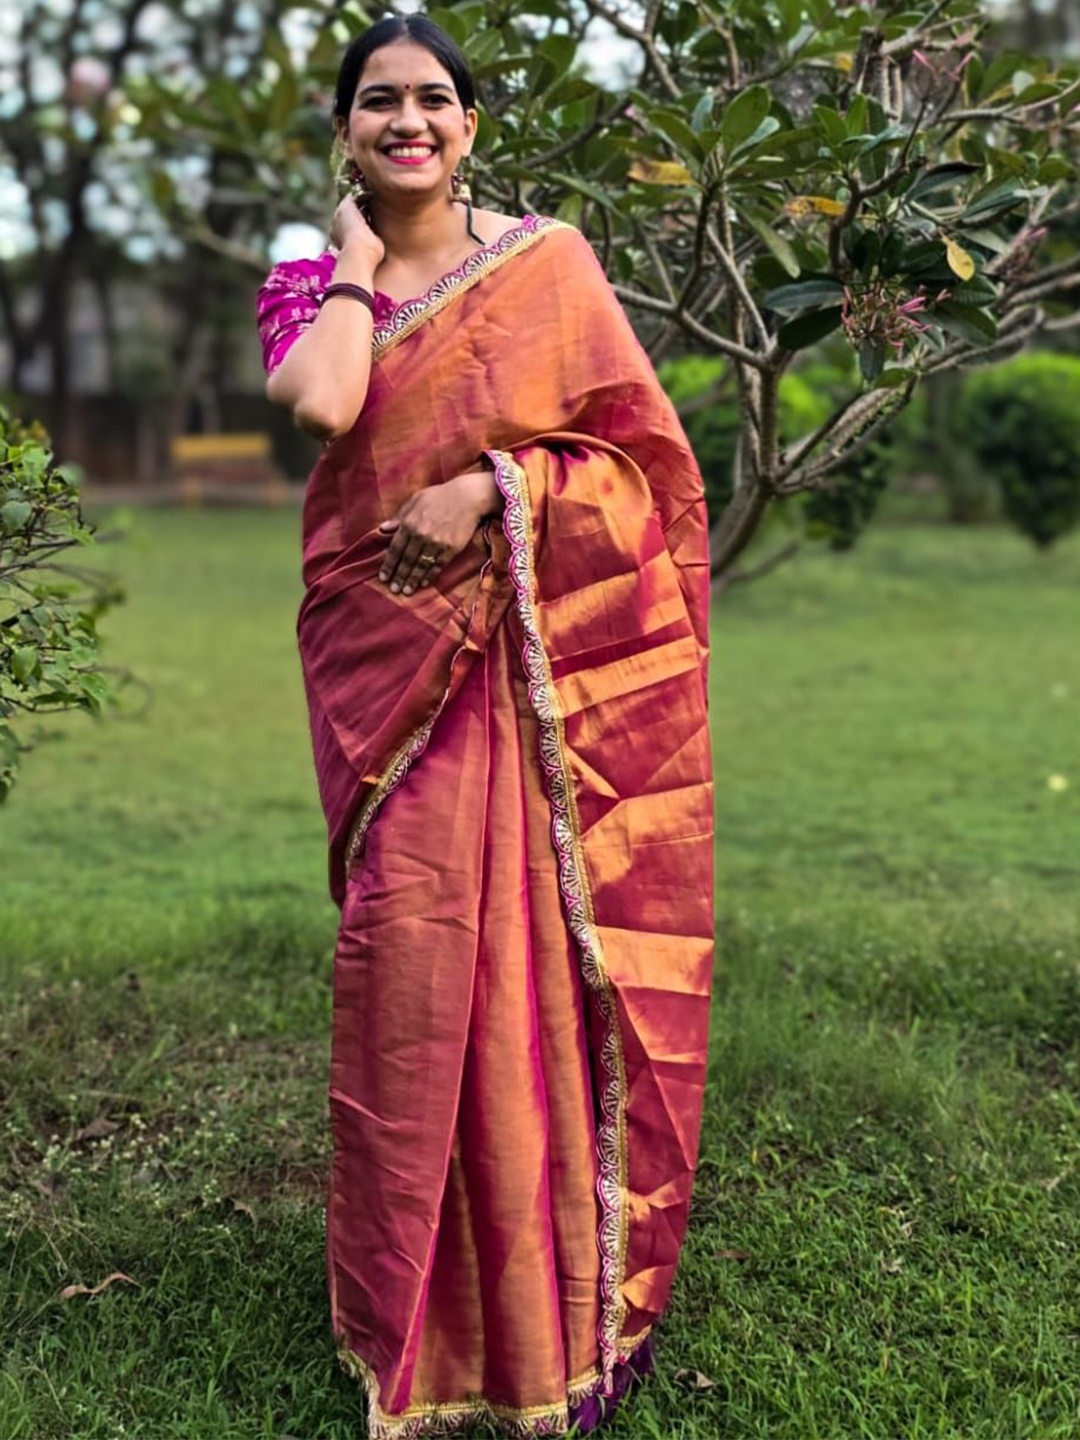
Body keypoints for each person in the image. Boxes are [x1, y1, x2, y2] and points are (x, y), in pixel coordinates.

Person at [256, 14, 714, 1436]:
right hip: (384, 665)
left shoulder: (550, 266)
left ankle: (542, 1318)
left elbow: (643, 464)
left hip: (522, 673)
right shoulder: (302, 274)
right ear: (345, 132)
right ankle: (408, 1303)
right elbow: (323, 403)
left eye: (432, 100)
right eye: (378, 103)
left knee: (527, 966)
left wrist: (497, 487)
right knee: (409, 958)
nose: (408, 121)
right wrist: (348, 260)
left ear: (470, 122)